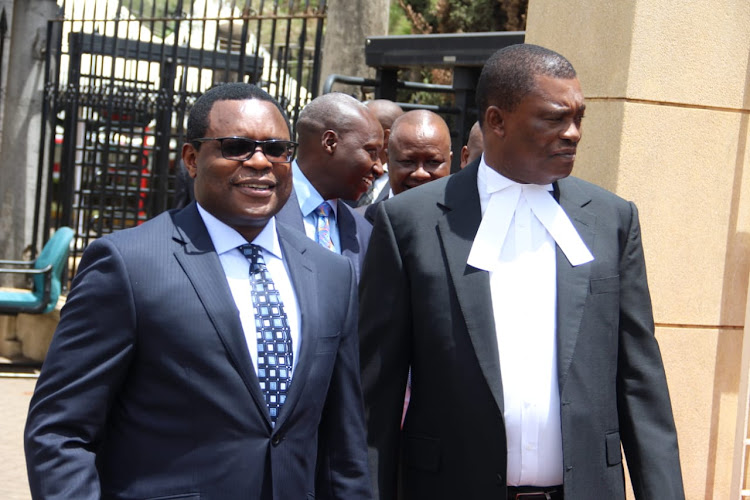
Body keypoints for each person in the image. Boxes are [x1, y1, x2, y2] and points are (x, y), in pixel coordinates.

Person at [358, 44, 684, 500]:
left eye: (578, 118)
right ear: (497, 121)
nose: (572, 133)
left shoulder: (611, 220)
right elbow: (377, 392)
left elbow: (640, 381)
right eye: (554, 118)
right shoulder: (410, 222)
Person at [25, 83, 372, 500]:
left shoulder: (331, 273)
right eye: (237, 146)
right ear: (192, 159)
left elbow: (343, 447)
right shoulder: (128, 265)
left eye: (277, 149)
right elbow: (59, 430)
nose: (260, 162)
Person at [276, 92, 382, 281]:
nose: (379, 168)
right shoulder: (261, 210)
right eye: (371, 152)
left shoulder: (363, 231)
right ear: (330, 142)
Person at [362, 109, 452, 224]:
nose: (420, 173)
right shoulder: (358, 226)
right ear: (388, 161)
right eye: (408, 162)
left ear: (450, 161)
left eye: (433, 162)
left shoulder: (467, 226)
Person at [356, 99, 405, 207]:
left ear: (386, 136)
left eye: (362, 127)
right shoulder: (345, 170)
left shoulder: (407, 179)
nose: (354, 133)